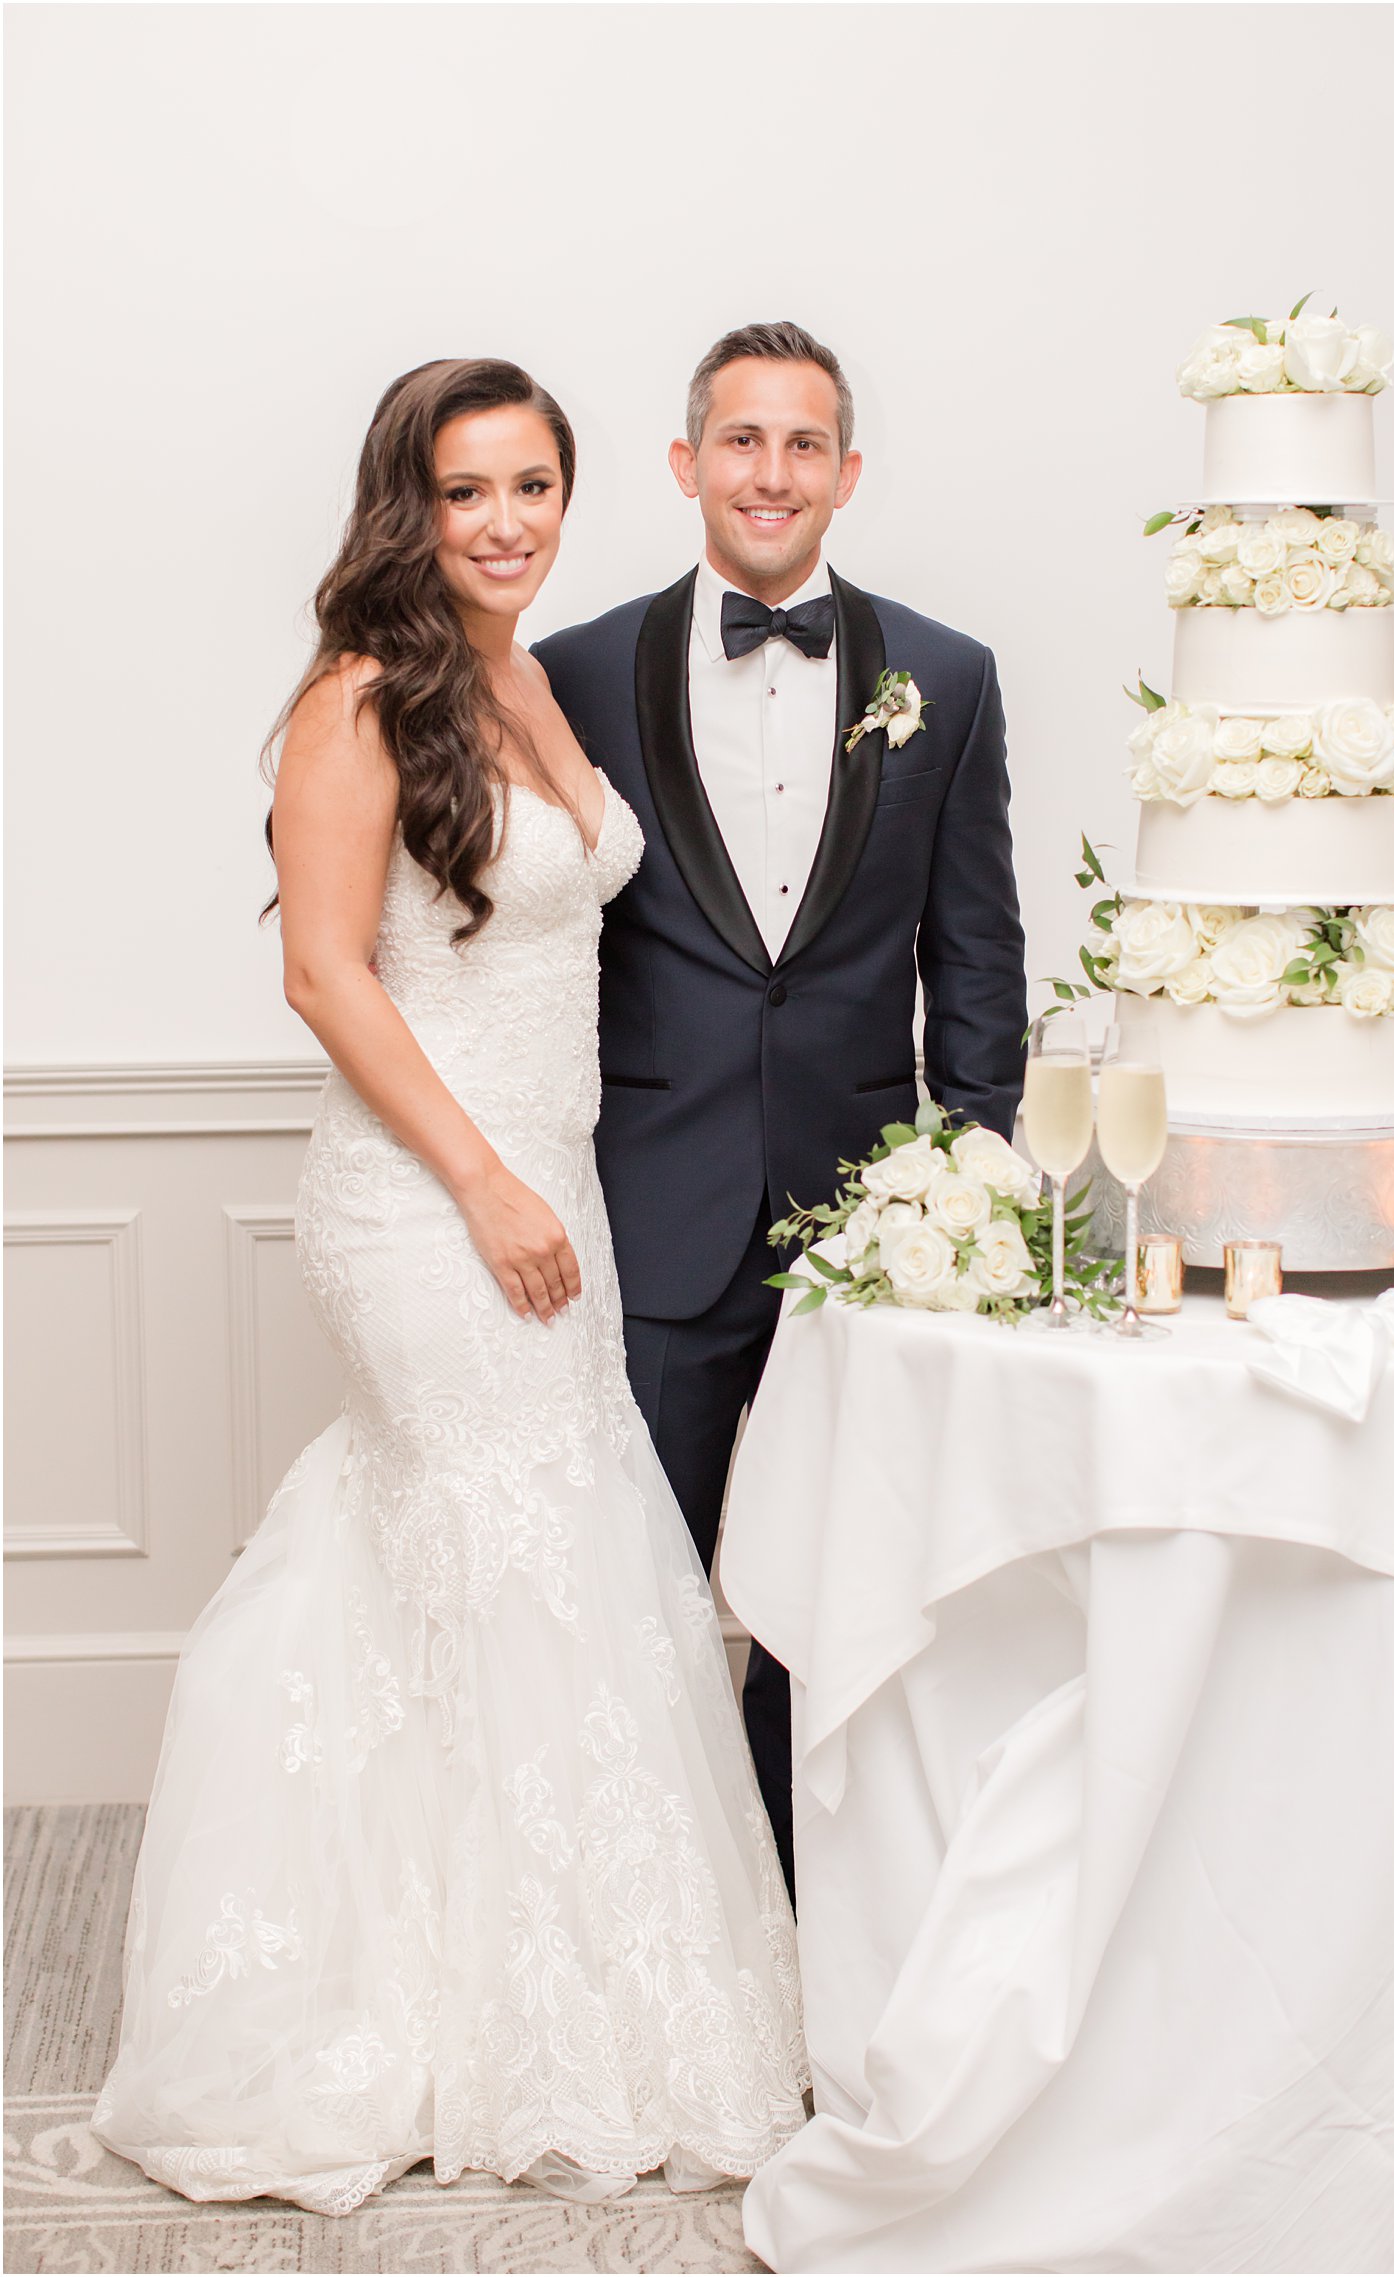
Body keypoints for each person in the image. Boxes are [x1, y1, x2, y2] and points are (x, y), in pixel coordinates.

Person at [91, 359, 808, 2215]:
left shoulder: (540, 679)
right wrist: (481, 1181)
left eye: (534, 485)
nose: (506, 520)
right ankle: (475, 2020)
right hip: (430, 1205)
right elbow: (329, 977)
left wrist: (542, 1179)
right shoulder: (355, 700)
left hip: (556, 1191)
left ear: (573, 495)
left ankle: (530, 1993)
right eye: (467, 489)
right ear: (405, 507)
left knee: (520, 1575)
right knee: (521, 1565)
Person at [535, 322, 1027, 1892]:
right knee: (644, 1581)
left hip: (871, 1221)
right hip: (652, 1201)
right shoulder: (573, 672)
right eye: (740, 441)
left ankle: (807, 1900)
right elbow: (546, 935)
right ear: (686, 465)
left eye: (803, 444)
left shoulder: (943, 677)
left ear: (848, 474)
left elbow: (976, 942)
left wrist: (984, 1170)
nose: (771, 472)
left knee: (839, 1585)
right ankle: (659, 1909)